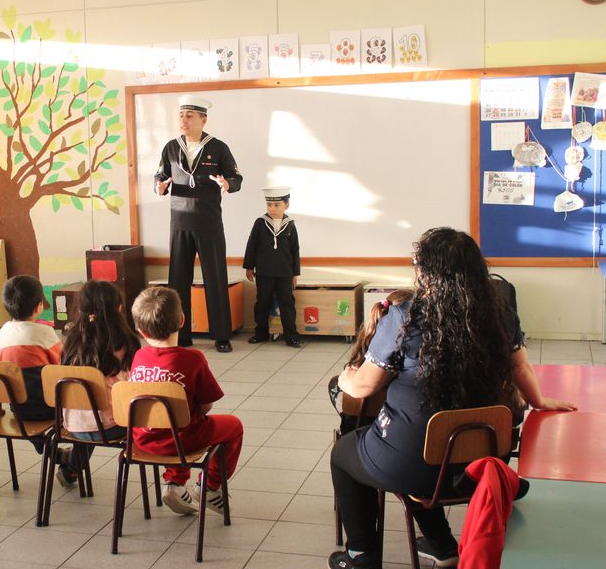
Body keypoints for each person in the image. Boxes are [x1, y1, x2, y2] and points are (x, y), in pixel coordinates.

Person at [327, 228, 576, 569]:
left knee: (346, 452)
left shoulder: (406, 317)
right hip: (484, 461)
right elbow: (520, 367)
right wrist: (540, 400)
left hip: (415, 463)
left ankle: (361, 555)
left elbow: (365, 387)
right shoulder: (499, 312)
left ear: (425, 272)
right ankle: (441, 544)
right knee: (426, 444)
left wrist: (344, 378)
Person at [129, 287, 244, 515]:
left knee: (173, 422)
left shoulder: (139, 357)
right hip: (181, 440)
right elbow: (207, 404)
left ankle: (174, 483)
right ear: (182, 320)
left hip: (142, 439)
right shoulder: (193, 359)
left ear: (141, 331)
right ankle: (209, 487)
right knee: (232, 426)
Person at [154, 95, 242, 353]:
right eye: (181, 115)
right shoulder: (171, 146)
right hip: (179, 222)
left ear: (203, 119)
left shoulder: (219, 147)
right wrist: (159, 187)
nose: (184, 120)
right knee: (178, 280)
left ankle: (221, 335)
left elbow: (236, 176)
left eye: (190, 116)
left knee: (215, 277)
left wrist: (228, 184)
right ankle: (181, 335)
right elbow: (161, 174)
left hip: (209, 222)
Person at [58, 280, 141, 486]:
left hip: (72, 425)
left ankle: (72, 468)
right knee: (110, 408)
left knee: (91, 406)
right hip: (113, 427)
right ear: (120, 308)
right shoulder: (126, 341)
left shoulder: (71, 341)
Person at [0, 275, 73, 479]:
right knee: (88, 414)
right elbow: (63, 367)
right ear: (39, 306)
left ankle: (50, 451)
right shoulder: (44, 333)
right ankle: (71, 464)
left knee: (25, 413)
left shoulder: (0, 335)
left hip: (19, 409)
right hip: (50, 408)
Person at [327, 289, 413, 428]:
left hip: (361, 424)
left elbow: (354, 376)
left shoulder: (371, 341)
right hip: (399, 421)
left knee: (334, 383)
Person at [243, 186, 301, 348]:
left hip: (284, 273)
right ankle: (260, 333)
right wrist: (249, 267)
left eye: (276, 205)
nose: (272, 208)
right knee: (262, 303)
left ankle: (291, 336)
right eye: (269, 205)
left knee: (287, 304)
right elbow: (251, 245)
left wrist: (295, 273)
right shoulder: (260, 223)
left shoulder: (290, 225)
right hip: (264, 272)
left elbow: (295, 250)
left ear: (286, 205)